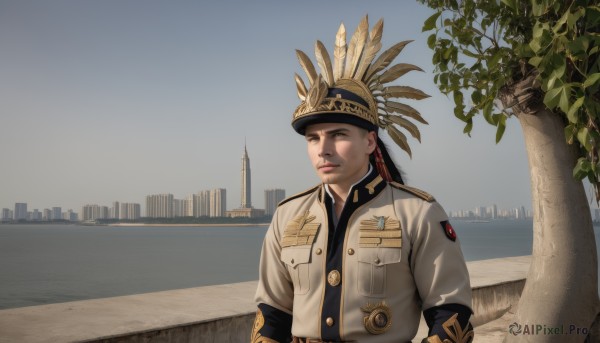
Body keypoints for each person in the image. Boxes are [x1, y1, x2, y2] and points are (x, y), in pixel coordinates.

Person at [251, 15, 473, 343]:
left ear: (370, 141)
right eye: (313, 138)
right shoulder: (287, 216)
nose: (322, 150)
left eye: (338, 135)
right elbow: (272, 314)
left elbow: (451, 313)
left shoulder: (418, 213)